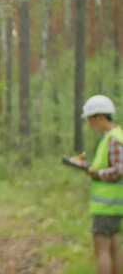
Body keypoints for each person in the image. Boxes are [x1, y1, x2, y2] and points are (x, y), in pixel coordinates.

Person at [75, 95, 123, 274]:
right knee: (115, 248)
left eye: (90, 119)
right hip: (114, 205)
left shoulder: (113, 139)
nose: (89, 123)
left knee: (102, 251)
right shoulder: (114, 137)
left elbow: (119, 169)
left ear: (100, 117)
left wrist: (97, 173)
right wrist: (90, 168)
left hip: (107, 206)